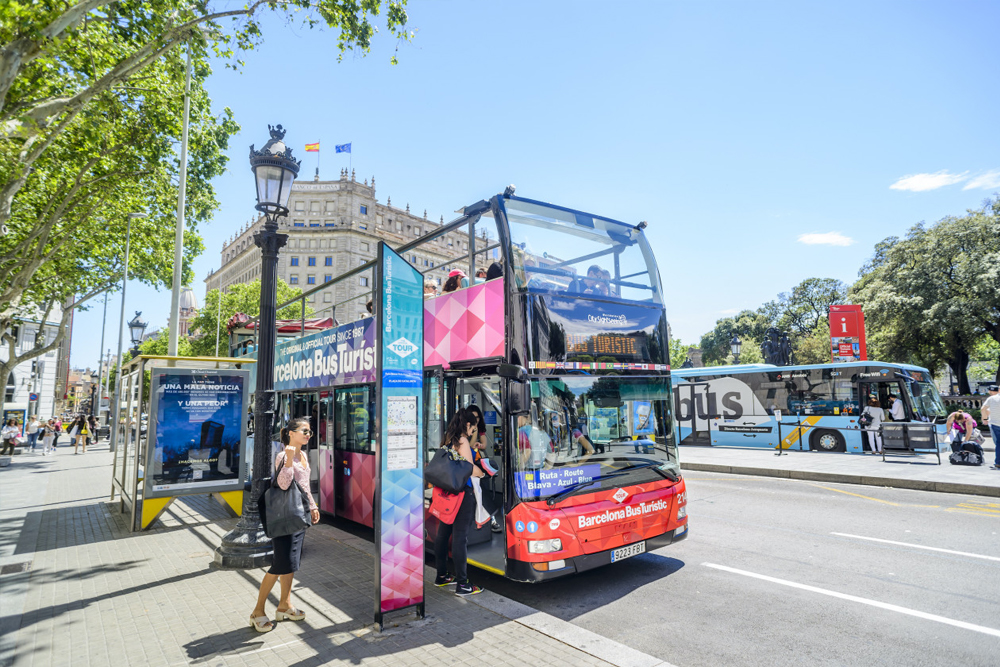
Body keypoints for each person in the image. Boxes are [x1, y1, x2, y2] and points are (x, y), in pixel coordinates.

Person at [250, 417, 320, 633]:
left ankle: (284, 606)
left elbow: (305, 486)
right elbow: (283, 483)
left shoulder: (304, 455)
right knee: (280, 564)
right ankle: (257, 612)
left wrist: (314, 505)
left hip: (299, 515)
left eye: (310, 432)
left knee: (291, 564)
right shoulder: (283, 455)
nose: (308, 435)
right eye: (304, 431)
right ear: (291, 433)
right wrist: (289, 460)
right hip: (285, 517)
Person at [433, 408, 484, 596]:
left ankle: (442, 576)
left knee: (443, 533)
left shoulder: (448, 438)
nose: (472, 433)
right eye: (473, 428)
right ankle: (463, 584)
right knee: (460, 537)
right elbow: (469, 469)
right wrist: (484, 471)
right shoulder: (462, 441)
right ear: (468, 425)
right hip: (462, 493)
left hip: (446, 493)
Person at [982, 385, 1000, 470]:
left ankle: (998, 463)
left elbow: (983, 409)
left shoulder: (992, 398)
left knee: (998, 444)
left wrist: (985, 418)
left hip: (996, 424)